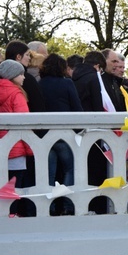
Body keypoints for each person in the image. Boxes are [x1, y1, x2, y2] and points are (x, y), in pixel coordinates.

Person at [0, 60, 35, 217]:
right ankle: (11, 213)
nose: (24, 77)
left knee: (1, 180)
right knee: (15, 183)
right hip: (16, 145)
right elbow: (24, 122)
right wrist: (30, 147)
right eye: (20, 74)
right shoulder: (16, 94)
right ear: (12, 76)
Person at [38, 53, 81, 210]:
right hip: (64, 134)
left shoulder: (39, 83)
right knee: (69, 170)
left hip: (45, 134)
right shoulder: (67, 83)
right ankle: (67, 205)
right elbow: (77, 109)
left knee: (49, 173)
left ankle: (49, 207)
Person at [4, 40, 46, 112]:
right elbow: (38, 105)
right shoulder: (27, 79)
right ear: (18, 57)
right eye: (27, 55)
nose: (29, 58)